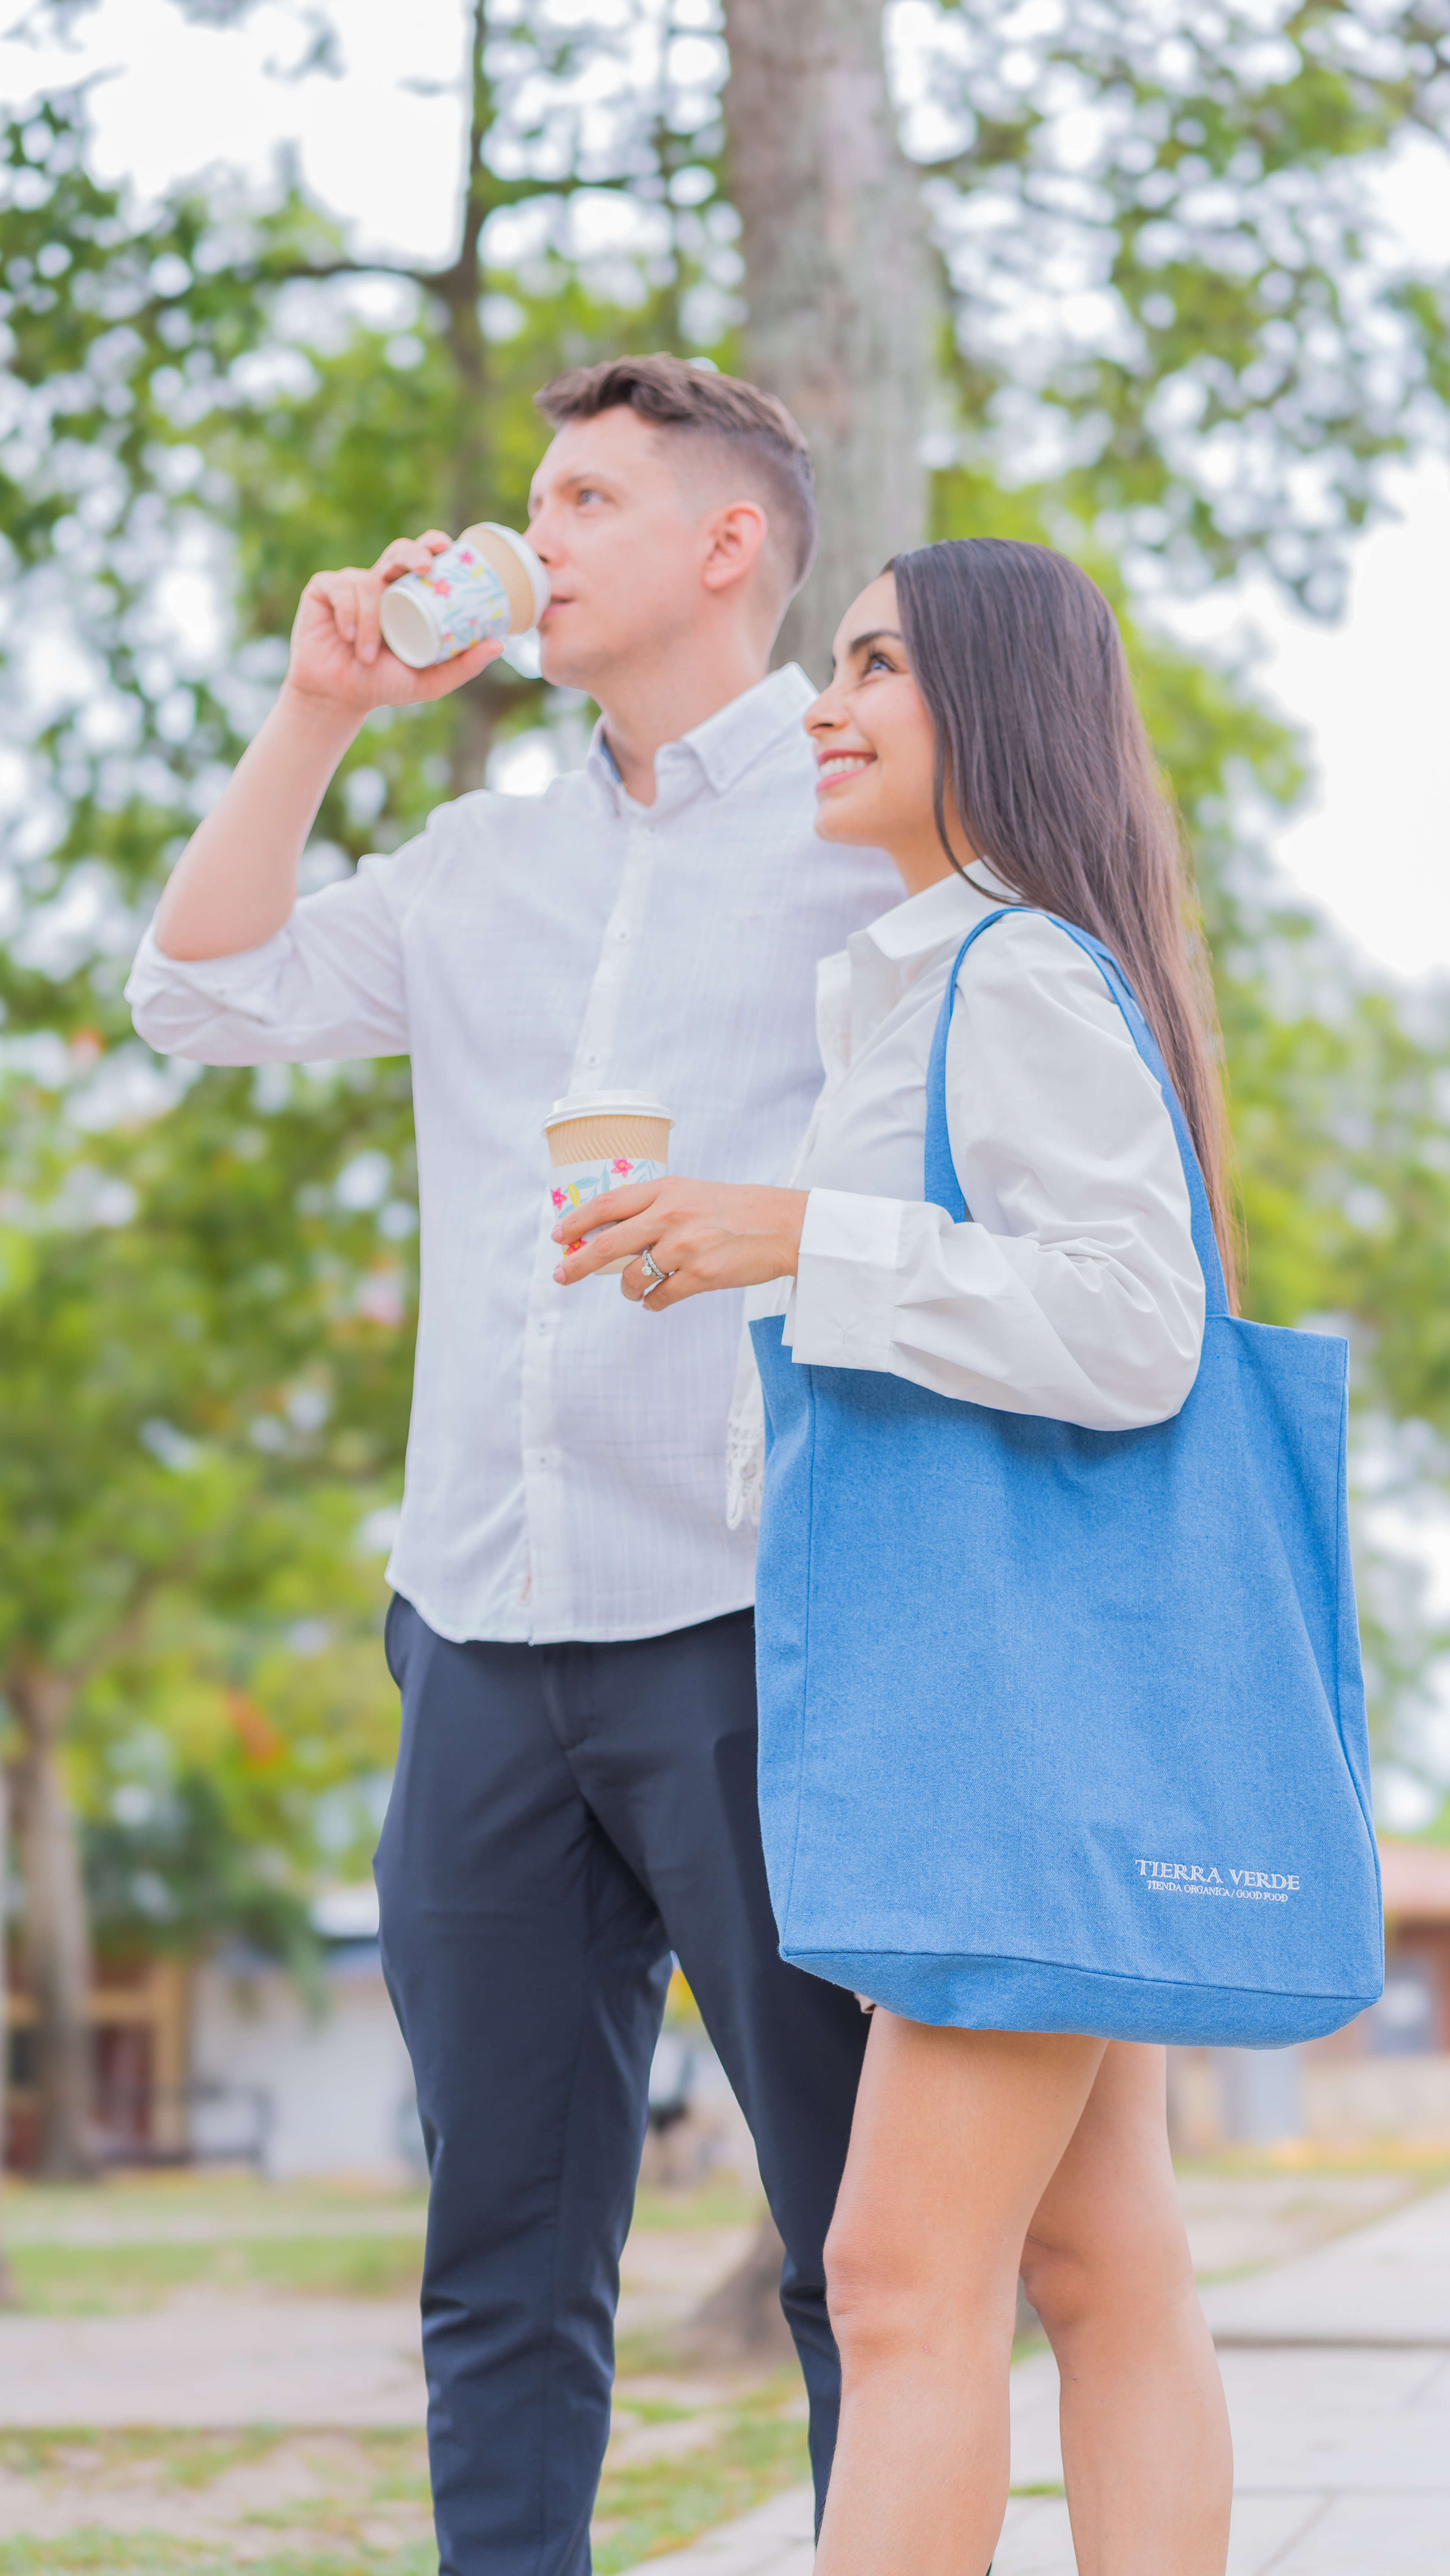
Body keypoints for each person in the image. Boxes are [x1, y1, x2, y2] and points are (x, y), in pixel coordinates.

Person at [125, 354, 900, 2576]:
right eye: (532, 503)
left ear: (726, 545)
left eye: (583, 503)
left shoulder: (864, 832)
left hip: (757, 1618)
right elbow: (196, 995)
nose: (529, 538)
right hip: (476, 1630)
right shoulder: (480, 858)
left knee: (856, 2249)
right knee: (500, 2264)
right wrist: (319, 715)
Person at [553, 536, 1236, 2576]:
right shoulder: (928, 982)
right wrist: (777, 1249)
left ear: (999, 708)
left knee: (898, 2279)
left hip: (1000, 1725)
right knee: (1102, 2268)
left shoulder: (1010, 974)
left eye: (875, 667)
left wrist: (796, 1237)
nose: (826, 704)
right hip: (1010, 1706)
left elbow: (1140, 1326)